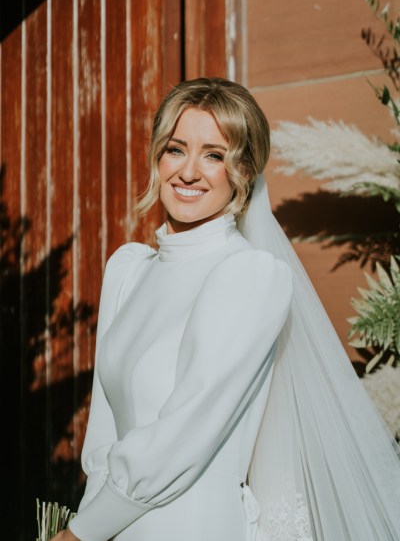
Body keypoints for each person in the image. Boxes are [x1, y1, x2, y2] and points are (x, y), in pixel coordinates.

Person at [52, 78, 400, 541]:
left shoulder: (249, 276)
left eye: (215, 155)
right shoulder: (127, 271)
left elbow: (184, 433)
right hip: (104, 528)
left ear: (245, 172)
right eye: (176, 149)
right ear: (158, 156)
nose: (189, 172)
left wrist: (81, 534)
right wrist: (85, 524)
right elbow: (103, 438)